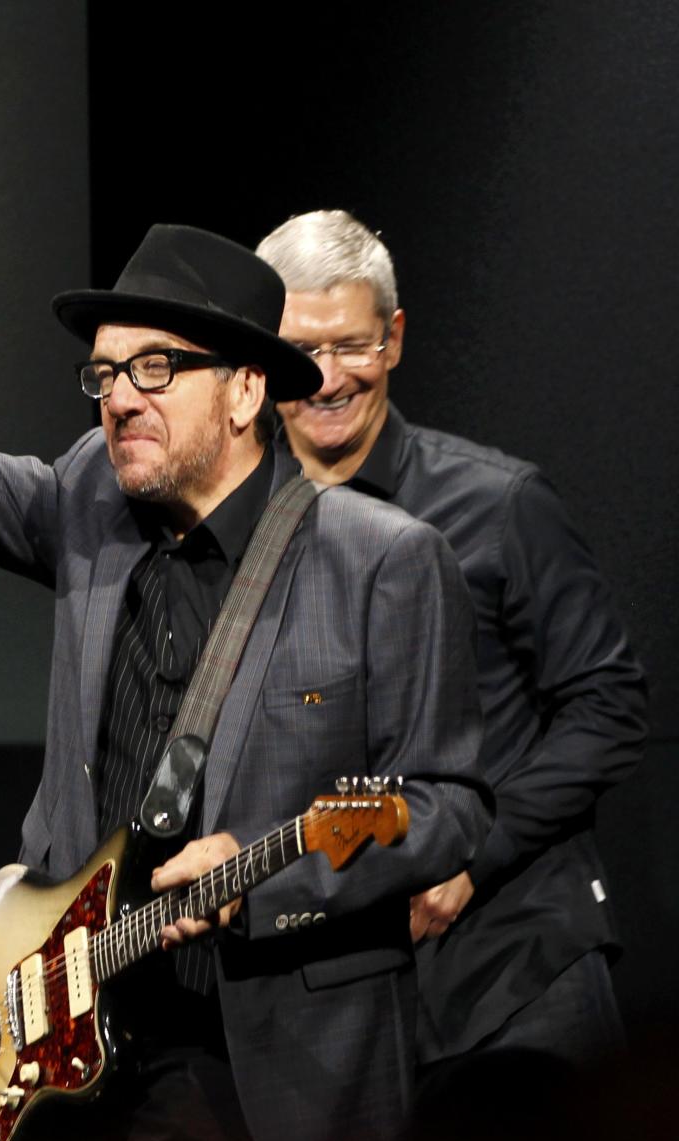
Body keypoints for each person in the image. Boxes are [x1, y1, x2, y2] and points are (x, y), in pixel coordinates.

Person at [0, 103, 489, 1141]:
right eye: (107, 374)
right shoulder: (87, 501)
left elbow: (447, 804)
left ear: (249, 389)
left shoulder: (385, 562)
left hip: (274, 1073)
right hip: (91, 1048)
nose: (120, 395)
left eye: (157, 367)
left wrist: (283, 873)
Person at [256, 209, 648, 1077]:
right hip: (341, 1011)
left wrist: (475, 852)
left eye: (352, 345)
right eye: (300, 350)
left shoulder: (501, 504)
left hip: (515, 968)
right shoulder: (240, 537)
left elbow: (609, 705)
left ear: (393, 339)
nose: (325, 378)